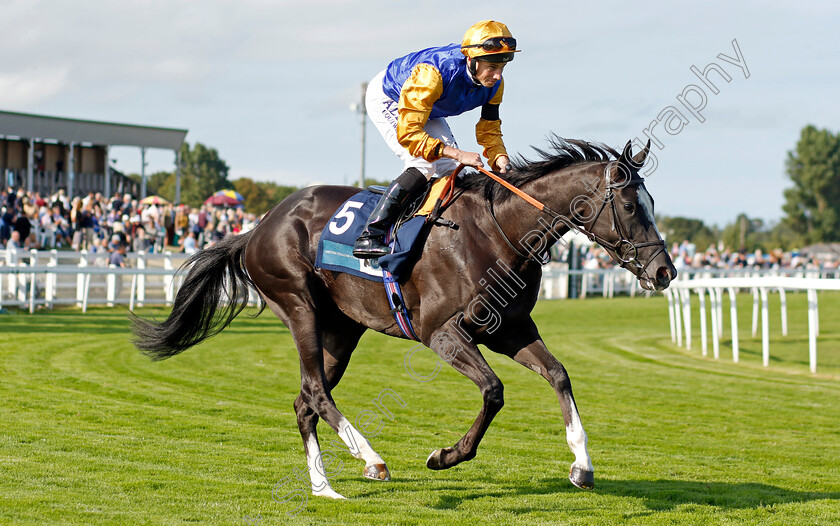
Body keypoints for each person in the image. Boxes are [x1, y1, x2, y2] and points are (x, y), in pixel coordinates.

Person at [353, 20, 519, 259]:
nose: (497, 75)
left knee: (456, 172)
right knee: (424, 163)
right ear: (471, 60)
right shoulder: (432, 74)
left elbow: (490, 128)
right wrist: (458, 153)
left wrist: (500, 159)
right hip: (391, 98)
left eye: (503, 67)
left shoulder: (495, 84)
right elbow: (410, 134)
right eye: (492, 67)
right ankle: (371, 235)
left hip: (427, 108)